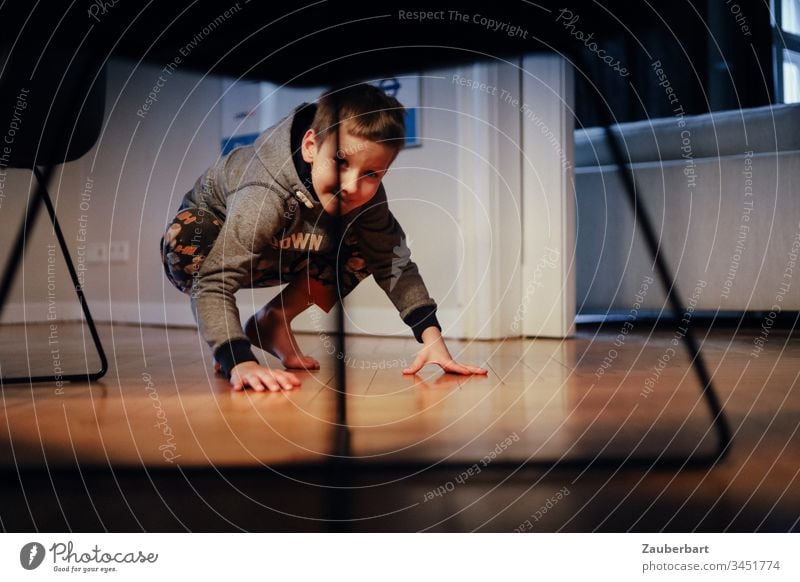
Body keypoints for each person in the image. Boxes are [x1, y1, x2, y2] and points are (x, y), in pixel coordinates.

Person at [161, 83, 487, 392]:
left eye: (371, 174)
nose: (352, 185)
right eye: (341, 162)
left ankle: (273, 322)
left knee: (370, 247)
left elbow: (392, 261)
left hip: (284, 245)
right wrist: (237, 359)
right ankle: (231, 338)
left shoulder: (365, 197)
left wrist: (433, 340)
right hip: (207, 249)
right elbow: (215, 278)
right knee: (189, 240)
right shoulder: (264, 190)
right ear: (310, 146)